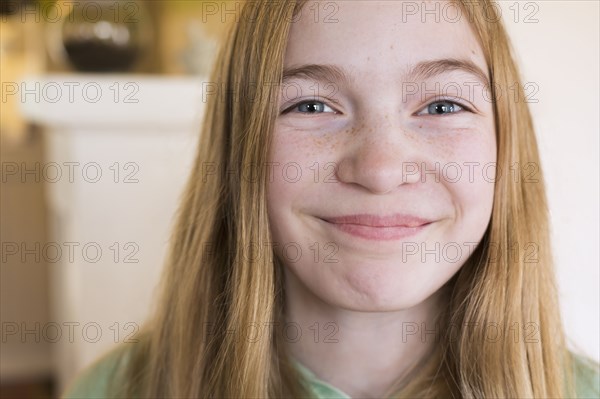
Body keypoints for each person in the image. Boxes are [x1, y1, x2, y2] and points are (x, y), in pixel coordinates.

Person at [62, 0, 600, 398]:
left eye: (441, 106)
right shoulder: (112, 390)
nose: (381, 169)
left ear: (506, 143)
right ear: (239, 150)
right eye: (313, 106)